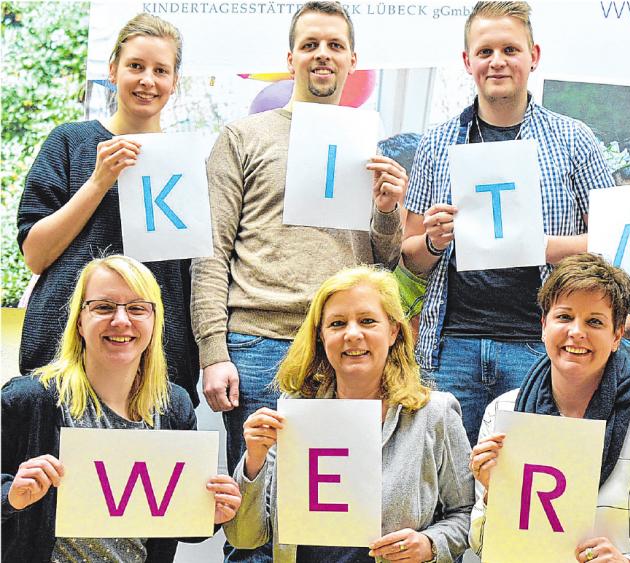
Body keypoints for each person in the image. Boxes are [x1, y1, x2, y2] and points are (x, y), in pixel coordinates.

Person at [190, 0, 404, 501]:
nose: (322, 55)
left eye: (335, 46)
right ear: (291, 59)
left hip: (344, 353)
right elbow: (211, 250)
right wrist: (213, 351)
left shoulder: (368, 146)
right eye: (310, 45)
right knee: (255, 515)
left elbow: (382, 264)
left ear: (353, 60)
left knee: (333, 514)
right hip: (258, 344)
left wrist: (389, 212)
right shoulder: (242, 136)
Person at [401, 1, 614, 444]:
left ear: (533, 56)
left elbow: (616, 239)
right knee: (450, 480)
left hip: (539, 346)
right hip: (451, 345)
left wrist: (543, 246)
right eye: (485, 52)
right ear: (467, 62)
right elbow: (409, 256)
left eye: (510, 50)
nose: (497, 61)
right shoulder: (437, 142)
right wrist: (435, 242)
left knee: (532, 480)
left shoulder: (574, 140)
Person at [469, 253, 630, 562]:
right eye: (564, 317)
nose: (577, 331)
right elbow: (482, 545)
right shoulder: (504, 413)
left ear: (617, 335)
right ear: (543, 325)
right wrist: (493, 494)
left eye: (594, 321)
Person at [224, 266, 474, 562]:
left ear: (393, 331)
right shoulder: (294, 415)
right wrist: (254, 461)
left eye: (368, 321)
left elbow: (465, 512)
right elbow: (245, 537)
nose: (352, 334)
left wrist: (430, 544)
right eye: (337, 323)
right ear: (320, 335)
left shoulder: (434, 413)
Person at [1, 255, 241, 562]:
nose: (121, 320)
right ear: (79, 321)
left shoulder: (174, 407)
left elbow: (181, 524)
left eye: (137, 308)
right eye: (103, 307)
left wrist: (214, 511)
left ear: (155, 322)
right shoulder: (29, 400)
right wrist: (12, 495)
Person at [16, 12, 200, 406]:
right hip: (62, 345)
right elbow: (35, 254)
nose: (147, 80)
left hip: (157, 355)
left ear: (174, 82)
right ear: (113, 70)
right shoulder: (70, 141)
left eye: (160, 70)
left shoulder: (189, 161)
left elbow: (194, 271)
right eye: (135, 66)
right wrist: (99, 180)